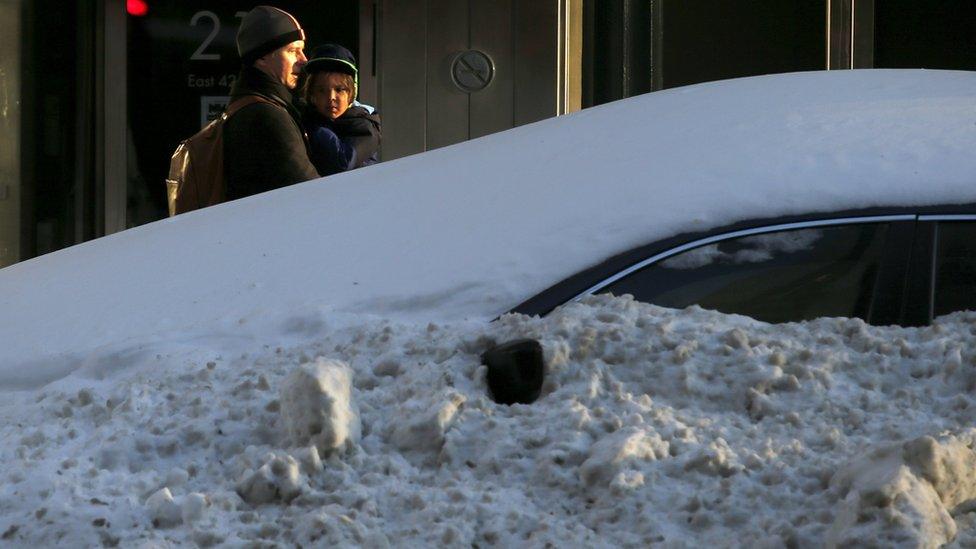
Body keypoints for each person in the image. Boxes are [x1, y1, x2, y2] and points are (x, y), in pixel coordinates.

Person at [223, 6, 320, 201]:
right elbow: (310, 192)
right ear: (262, 57)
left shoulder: (248, 105)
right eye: (293, 51)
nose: (304, 60)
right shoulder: (267, 116)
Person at [301, 44, 382, 176]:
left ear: (351, 93)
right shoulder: (307, 118)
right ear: (312, 95)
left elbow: (343, 162)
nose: (331, 97)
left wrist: (315, 127)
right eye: (322, 90)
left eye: (339, 90)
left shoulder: (365, 125)